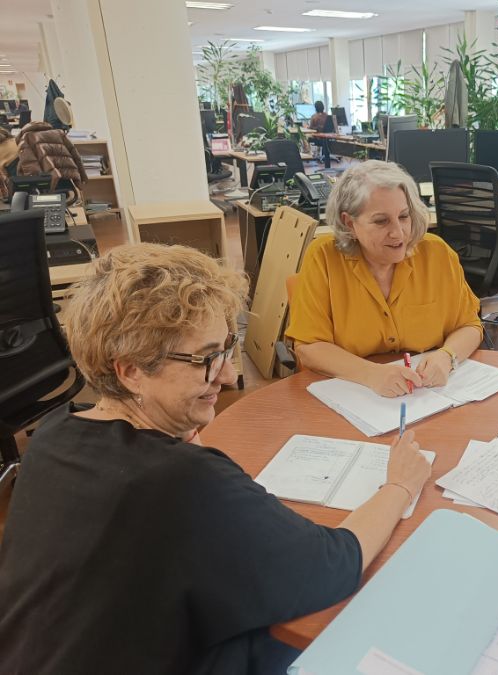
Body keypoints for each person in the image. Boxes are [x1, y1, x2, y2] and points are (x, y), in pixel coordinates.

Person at [0, 243, 431, 675]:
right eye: (205, 359)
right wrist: (399, 485)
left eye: (227, 348)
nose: (226, 375)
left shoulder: (52, 438)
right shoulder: (182, 481)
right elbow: (335, 564)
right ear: (130, 370)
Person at [285, 160, 483, 397]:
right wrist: (371, 374)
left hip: (426, 396)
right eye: (381, 221)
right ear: (350, 223)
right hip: (353, 393)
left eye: (404, 216)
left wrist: (447, 356)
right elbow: (309, 347)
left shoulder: (436, 254)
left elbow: (470, 325)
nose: (398, 232)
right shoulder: (323, 258)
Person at [307, 101, 333, 168]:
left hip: (318, 139)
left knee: (306, 137)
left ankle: (308, 155)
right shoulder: (327, 116)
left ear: (315, 108)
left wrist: (307, 127)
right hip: (327, 139)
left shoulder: (314, 117)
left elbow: (310, 128)